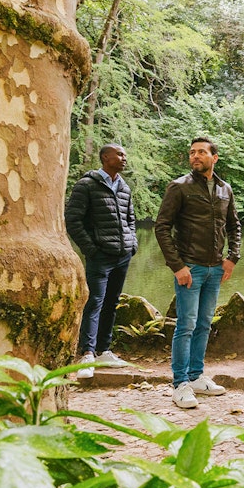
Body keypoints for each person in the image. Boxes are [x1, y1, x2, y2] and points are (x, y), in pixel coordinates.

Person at [155, 137, 242, 409]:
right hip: (189, 268)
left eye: (201, 152)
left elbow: (235, 227)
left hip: (215, 268)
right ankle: (180, 383)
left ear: (214, 157)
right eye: (192, 152)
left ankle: (195, 377)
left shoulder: (225, 189)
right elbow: (161, 227)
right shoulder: (179, 187)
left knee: (204, 324)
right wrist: (177, 266)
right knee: (186, 325)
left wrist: (232, 258)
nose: (195, 156)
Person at [65, 144, 137, 379]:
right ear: (106, 158)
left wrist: (132, 243)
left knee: (111, 302)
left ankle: (104, 350)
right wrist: (91, 249)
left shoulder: (124, 187)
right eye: (120, 154)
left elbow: (130, 218)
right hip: (100, 256)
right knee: (94, 301)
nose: (124, 158)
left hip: (122, 254)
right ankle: (87, 353)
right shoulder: (87, 185)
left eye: (125, 155)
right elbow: (73, 220)